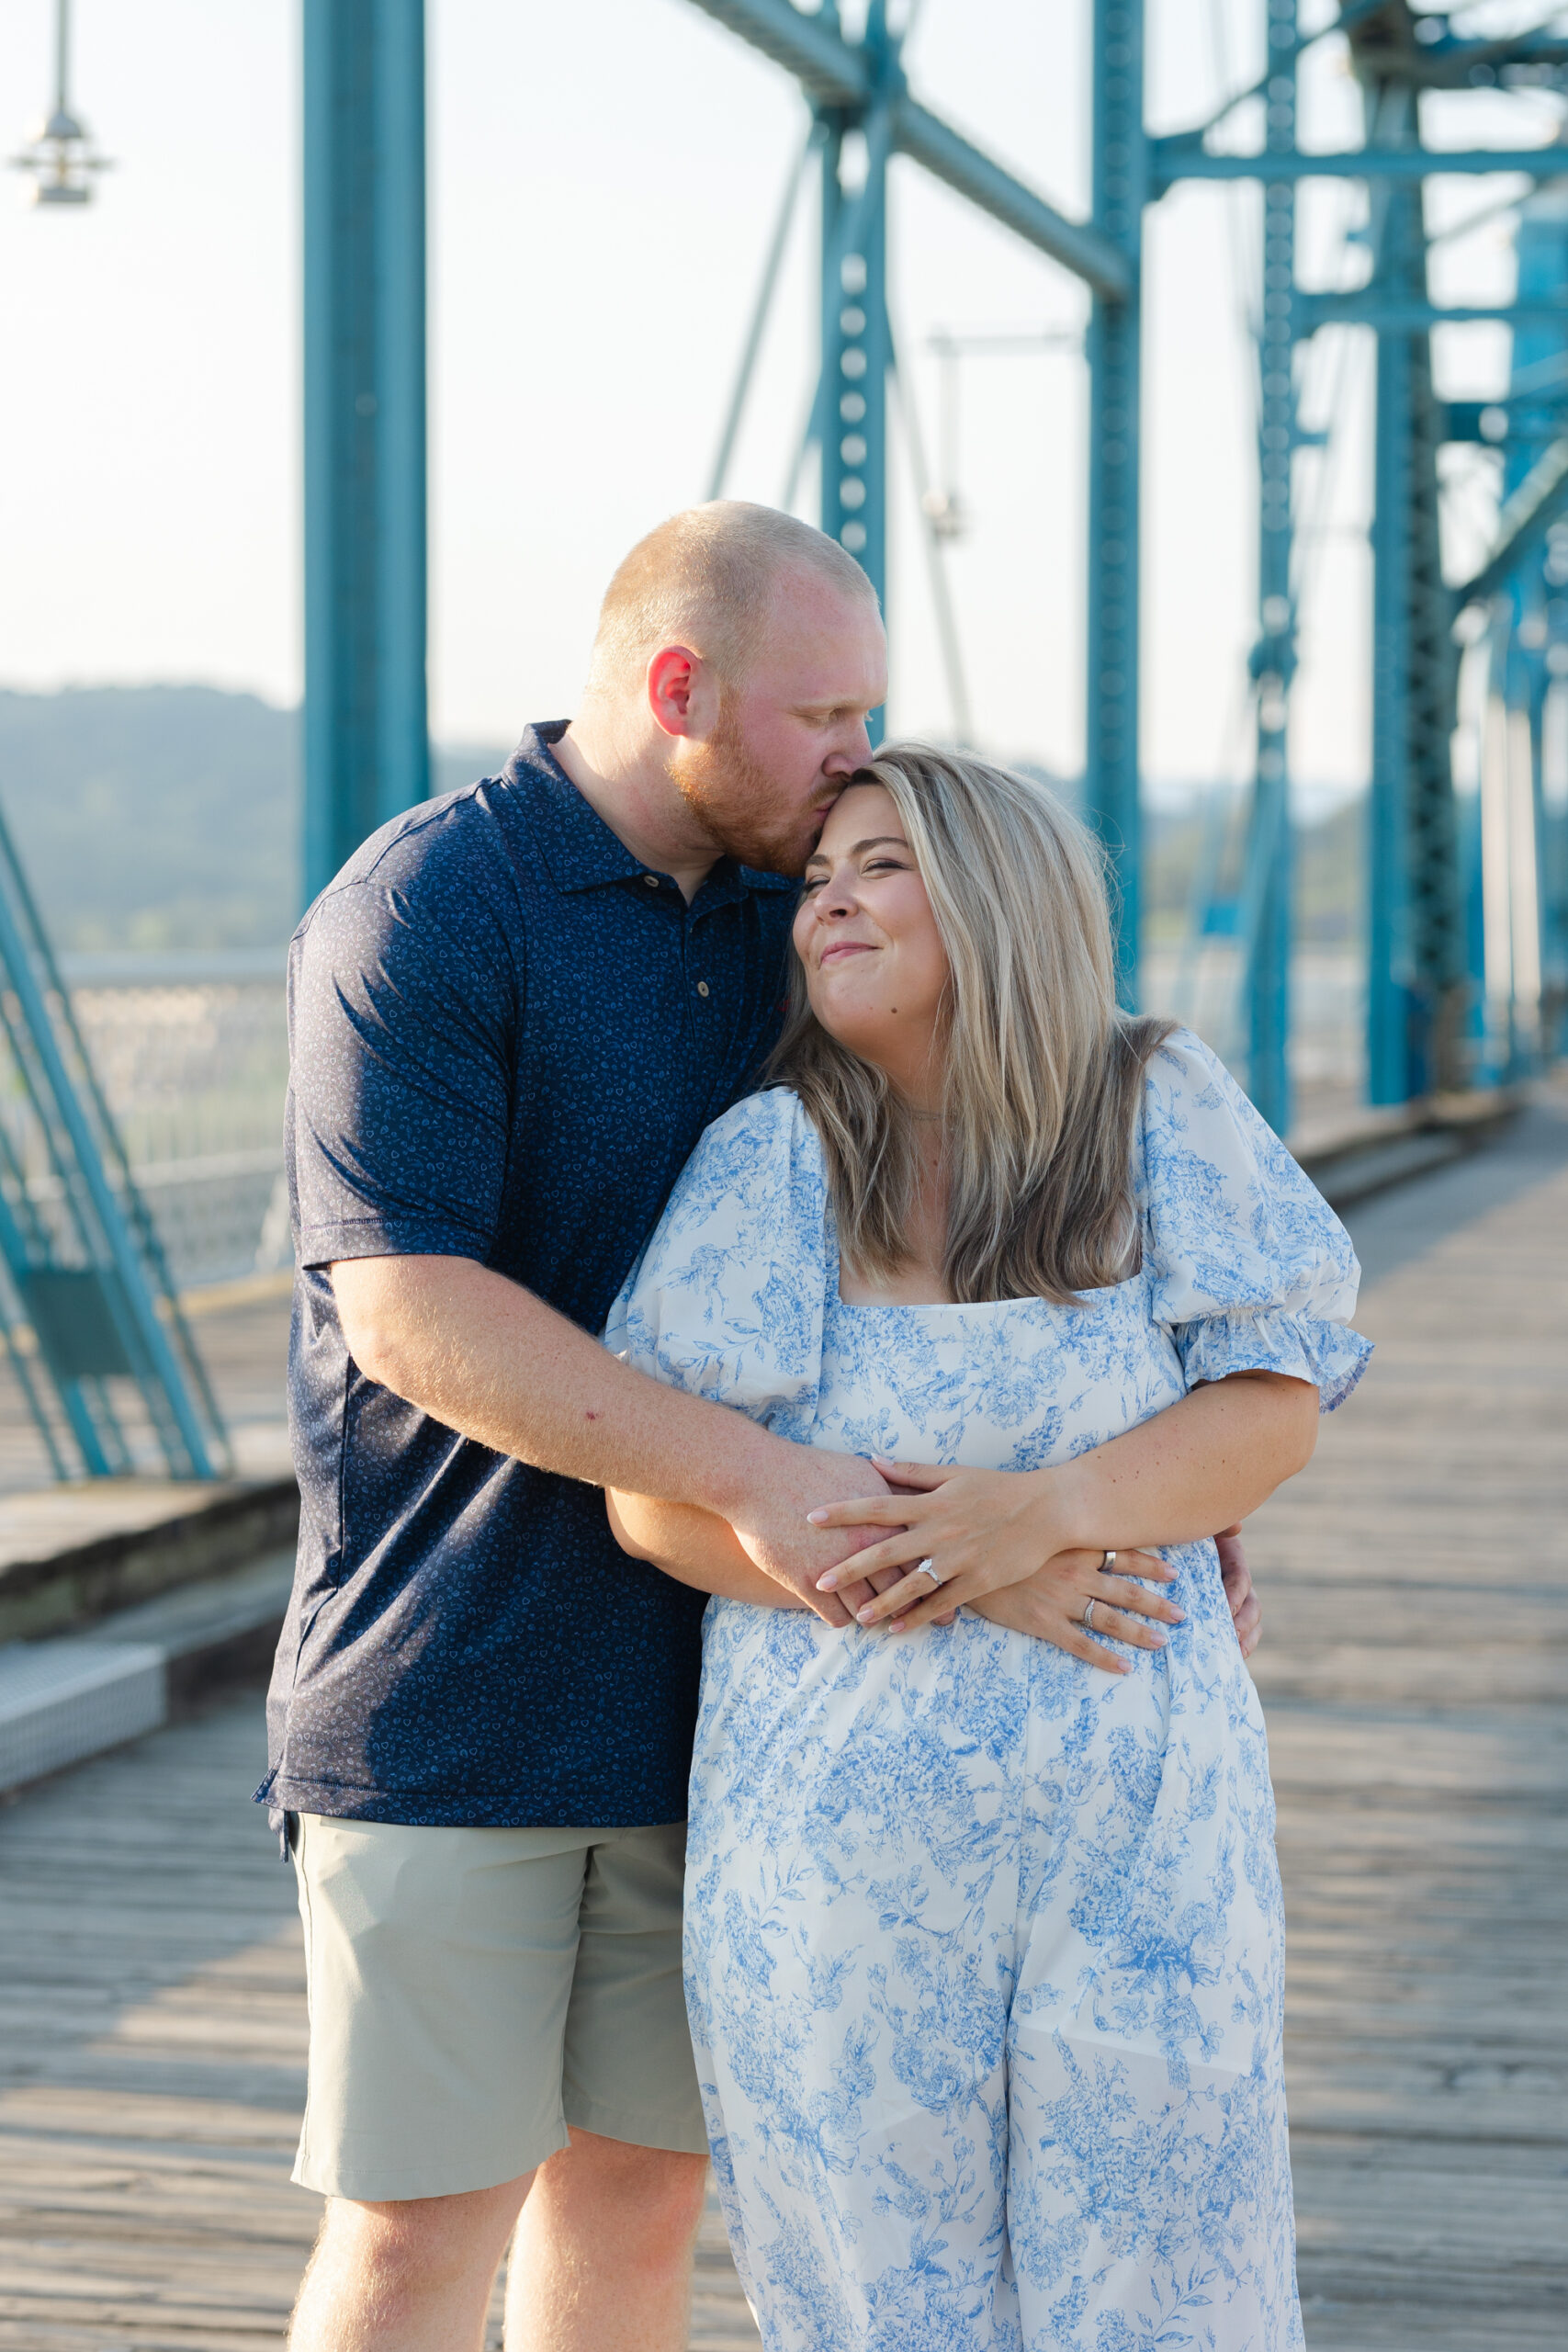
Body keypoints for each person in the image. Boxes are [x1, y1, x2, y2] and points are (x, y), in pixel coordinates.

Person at [264, 500, 1262, 2352]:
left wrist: (1126, 1485)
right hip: (458, 1677)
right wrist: (799, 1492)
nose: (855, 761)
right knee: (416, 2233)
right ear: (678, 690)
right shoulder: (424, 909)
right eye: (826, 716)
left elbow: (975, 1206)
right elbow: (402, 1308)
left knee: (638, 2212)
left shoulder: (792, 914)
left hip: (730, 1695)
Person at [606, 745, 1371, 2350]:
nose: (828, 902)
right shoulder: (773, 1160)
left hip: (1145, 1844)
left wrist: (1048, 1508)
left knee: (1171, 2280)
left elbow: (1271, 1404)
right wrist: (966, 1573)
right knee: (885, 2302)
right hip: (840, 1859)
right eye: (815, 878)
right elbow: (656, 1499)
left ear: (997, 895)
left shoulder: (1157, 1103)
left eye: (879, 865)